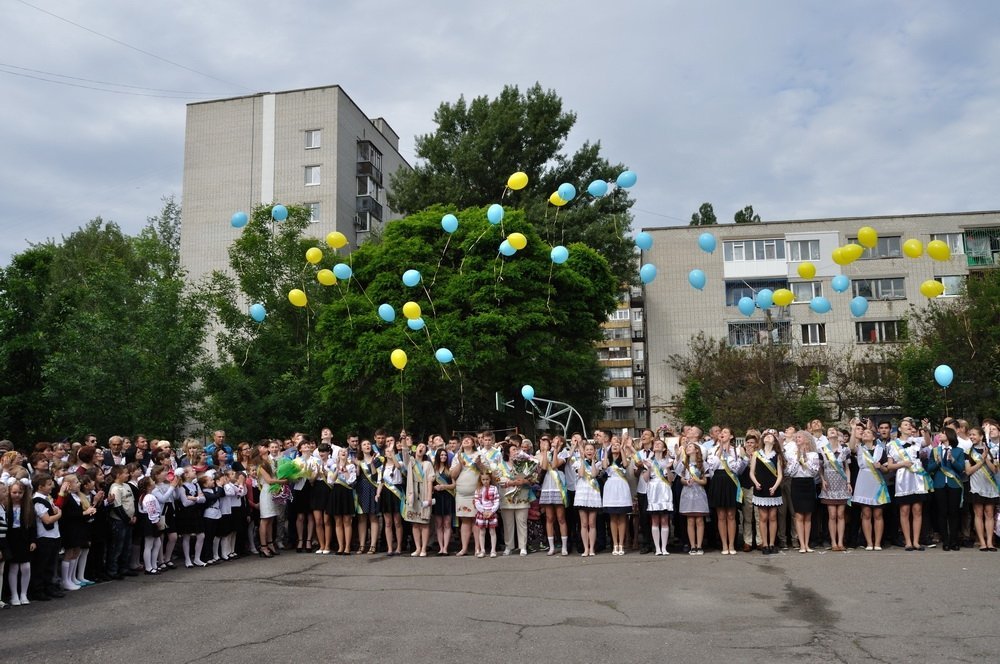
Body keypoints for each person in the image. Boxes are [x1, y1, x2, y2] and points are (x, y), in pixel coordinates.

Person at [885, 425, 932, 552]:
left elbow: (928, 442)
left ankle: (916, 541)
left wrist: (926, 430)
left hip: (917, 478)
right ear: (900, 429)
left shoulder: (916, 440)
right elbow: (889, 465)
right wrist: (902, 464)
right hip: (903, 479)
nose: (908, 427)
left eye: (910, 426)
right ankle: (908, 541)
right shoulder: (892, 444)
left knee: (917, 510)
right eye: (905, 425)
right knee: (904, 510)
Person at [707, 427, 746, 556]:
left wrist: (732, 454)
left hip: (731, 481)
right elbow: (711, 466)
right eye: (721, 432)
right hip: (718, 480)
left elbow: (737, 469)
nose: (722, 434)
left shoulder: (736, 450)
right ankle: (724, 544)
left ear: (731, 436)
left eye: (725, 432)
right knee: (721, 515)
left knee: (731, 515)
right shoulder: (713, 450)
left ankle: (731, 544)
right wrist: (720, 452)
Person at [928, 428, 967, 551]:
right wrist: (937, 462)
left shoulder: (959, 451)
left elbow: (961, 469)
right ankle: (945, 540)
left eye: (942, 433)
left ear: (949, 435)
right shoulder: (935, 451)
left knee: (954, 513)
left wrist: (953, 460)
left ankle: (954, 540)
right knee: (942, 512)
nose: (940, 435)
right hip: (939, 484)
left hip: (954, 484)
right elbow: (929, 469)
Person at [852, 427, 890, 551]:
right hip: (864, 480)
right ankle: (869, 542)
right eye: (864, 433)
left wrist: (880, 467)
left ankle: (877, 542)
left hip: (877, 481)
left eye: (868, 432)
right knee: (866, 513)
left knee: (878, 513)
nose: (865, 434)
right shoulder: (859, 448)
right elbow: (851, 446)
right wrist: (853, 430)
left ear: (874, 437)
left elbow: (886, 469)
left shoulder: (880, 450)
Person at [29, 473, 64, 600]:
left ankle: (49, 587)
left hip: (54, 535)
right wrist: (59, 515)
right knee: (42, 565)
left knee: (50, 565)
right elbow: (47, 520)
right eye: (49, 484)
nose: (52, 486)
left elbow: (53, 509)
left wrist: (56, 511)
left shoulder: (47, 498)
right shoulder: (38, 501)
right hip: (45, 537)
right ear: (40, 487)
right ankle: (38, 590)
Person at [786, 431, 821, 554]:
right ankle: (801, 544)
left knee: (808, 516)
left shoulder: (814, 455)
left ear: (807, 439)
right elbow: (790, 472)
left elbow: (814, 472)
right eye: (796, 438)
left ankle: (807, 543)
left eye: (799, 437)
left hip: (809, 483)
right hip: (797, 483)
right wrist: (797, 458)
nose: (797, 439)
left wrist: (804, 460)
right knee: (799, 515)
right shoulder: (792, 454)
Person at [496, 441, 534, 557]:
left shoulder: (525, 464)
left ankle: (523, 546)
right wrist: (510, 482)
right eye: (513, 450)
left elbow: (532, 479)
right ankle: (509, 546)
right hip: (507, 497)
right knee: (508, 524)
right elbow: (497, 479)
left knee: (522, 522)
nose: (516, 452)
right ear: (507, 453)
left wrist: (524, 481)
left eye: (517, 450)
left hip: (522, 496)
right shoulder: (501, 465)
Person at [819, 427, 852, 552]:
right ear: (826, 435)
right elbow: (820, 468)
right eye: (829, 430)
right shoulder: (822, 450)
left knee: (840, 514)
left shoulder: (845, 449)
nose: (832, 431)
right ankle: (833, 542)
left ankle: (840, 541)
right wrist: (822, 480)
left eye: (834, 430)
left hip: (841, 484)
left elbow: (847, 468)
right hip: (829, 485)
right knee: (832, 515)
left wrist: (848, 482)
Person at [750, 430, 784, 554]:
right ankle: (764, 544)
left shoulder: (777, 455)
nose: (768, 437)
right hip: (761, 488)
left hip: (773, 488)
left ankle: (771, 543)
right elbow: (751, 472)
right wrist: (756, 482)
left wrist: (775, 487)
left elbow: (780, 475)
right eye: (766, 436)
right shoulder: (756, 454)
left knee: (773, 517)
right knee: (763, 517)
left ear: (774, 441)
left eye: (770, 436)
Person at [965, 427, 998, 551]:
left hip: (990, 487)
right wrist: (981, 460)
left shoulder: (990, 450)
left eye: (974, 434)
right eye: (970, 435)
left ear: (981, 436)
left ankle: (990, 542)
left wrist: (987, 458)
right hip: (976, 487)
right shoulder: (967, 452)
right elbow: (968, 471)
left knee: (989, 514)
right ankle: (982, 542)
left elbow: (995, 470)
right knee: (978, 514)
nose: (972, 437)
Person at [537, 435, 569, 556]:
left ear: (561, 442)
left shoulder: (564, 453)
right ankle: (551, 547)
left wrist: (556, 450)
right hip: (547, 485)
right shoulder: (548, 452)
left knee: (561, 517)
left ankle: (564, 546)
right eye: (553, 439)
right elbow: (545, 466)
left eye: (556, 439)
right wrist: (545, 451)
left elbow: (555, 464)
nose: (553, 441)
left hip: (558, 485)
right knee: (549, 518)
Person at [4, 480, 35, 605]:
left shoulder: (27, 506)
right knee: (14, 567)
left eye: (20, 492)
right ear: (9, 492)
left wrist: (33, 540)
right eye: (14, 492)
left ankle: (24, 593)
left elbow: (32, 525)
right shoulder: (6, 506)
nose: (17, 495)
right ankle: (14, 595)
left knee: (26, 567)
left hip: (24, 539)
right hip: (11, 539)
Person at [642, 438, 675, 555]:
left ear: (664, 448)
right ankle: (657, 548)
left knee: (665, 519)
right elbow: (645, 479)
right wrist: (649, 468)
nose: (657, 445)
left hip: (664, 488)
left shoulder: (669, 461)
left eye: (659, 444)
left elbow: (671, 479)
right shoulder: (648, 461)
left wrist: (667, 468)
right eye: (655, 444)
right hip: (653, 489)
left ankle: (664, 547)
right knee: (655, 519)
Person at [676, 442, 709, 555]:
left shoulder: (703, 464)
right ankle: (692, 545)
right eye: (687, 446)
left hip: (699, 493)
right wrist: (686, 481)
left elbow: (705, 481)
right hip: (687, 493)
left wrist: (698, 481)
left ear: (696, 450)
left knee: (699, 520)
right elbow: (680, 479)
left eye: (690, 446)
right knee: (690, 520)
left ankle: (699, 545)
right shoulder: (683, 463)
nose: (688, 448)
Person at [602, 438, 633, 556]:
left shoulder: (623, 459)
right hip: (610, 487)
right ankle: (615, 544)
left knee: (622, 517)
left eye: (617, 445)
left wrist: (622, 450)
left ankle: (621, 544)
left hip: (621, 486)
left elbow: (625, 464)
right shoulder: (608, 459)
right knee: (613, 518)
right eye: (613, 445)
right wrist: (606, 451)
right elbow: (604, 466)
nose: (615, 446)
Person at [450, 435, 480, 556]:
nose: (466, 441)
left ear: (473, 443)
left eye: (469, 440)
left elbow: (486, 472)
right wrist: (460, 464)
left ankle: (478, 547)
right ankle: (464, 548)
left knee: (476, 520)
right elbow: (452, 475)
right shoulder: (458, 456)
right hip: (462, 493)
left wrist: (479, 464)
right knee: (465, 521)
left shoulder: (479, 455)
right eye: (464, 440)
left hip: (476, 493)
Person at [573, 440, 602, 557]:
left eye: (591, 449)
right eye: (587, 450)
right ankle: (585, 548)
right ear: (584, 452)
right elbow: (580, 474)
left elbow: (594, 474)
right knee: (584, 524)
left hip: (593, 493)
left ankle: (592, 548)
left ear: (594, 451)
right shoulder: (578, 462)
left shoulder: (598, 463)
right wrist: (581, 460)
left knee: (592, 523)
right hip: (582, 494)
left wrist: (594, 460)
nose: (589, 451)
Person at [404, 443, 433, 557]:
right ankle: (417, 547)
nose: (421, 448)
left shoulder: (427, 464)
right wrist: (403, 439)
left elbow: (430, 480)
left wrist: (429, 496)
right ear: (416, 449)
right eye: (419, 446)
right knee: (415, 523)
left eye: (424, 447)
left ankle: (424, 548)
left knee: (424, 523)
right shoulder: (410, 462)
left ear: (425, 451)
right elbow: (405, 453)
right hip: (413, 492)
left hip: (424, 492)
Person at [174, 466, 206, 567]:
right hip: (186, 514)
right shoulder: (182, 487)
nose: (195, 471)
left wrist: (194, 498)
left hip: (196, 512)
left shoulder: (196, 485)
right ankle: (187, 559)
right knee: (186, 536)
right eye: (192, 470)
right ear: (186, 475)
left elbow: (203, 499)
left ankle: (197, 558)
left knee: (201, 535)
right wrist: (197, 499)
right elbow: (185, 503)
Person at [355, 440, 381, 554]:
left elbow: (376, 477)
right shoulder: (358, 461)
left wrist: (371, 464)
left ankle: (373, 545)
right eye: (364, 444)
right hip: (361, 489)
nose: (367, 446)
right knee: (362, 517)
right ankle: (362, 545)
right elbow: (355, 476)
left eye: (369, 444)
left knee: (373, 517)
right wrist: (357, 465)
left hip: (373, 488)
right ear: (361, 447)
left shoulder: (377, 459)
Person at [330, 448, 358, 556]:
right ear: (337, 454)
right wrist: (337, 469)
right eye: (341, 451)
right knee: (338, 521)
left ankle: (347, 546)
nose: (343, 452)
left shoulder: (351, 466)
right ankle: (340, 546)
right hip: (336, 493)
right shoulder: (333, 466)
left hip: (346, 493)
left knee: (347, 521)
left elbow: (351, 481)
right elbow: (331, 481)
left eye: (345, 451)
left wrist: (345, 471)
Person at [309, 443, 335, 555]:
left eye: (324, 451)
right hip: (316, 491)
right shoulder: (315, 463)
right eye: (320, 451)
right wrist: (316, 473)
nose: (322, 453)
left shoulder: (333, 463)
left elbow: (334, 480)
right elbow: (310, 481)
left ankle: (328, 545)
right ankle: (321, 545)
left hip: (328, 491)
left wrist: (325, 472)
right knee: (318, 521)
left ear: (328, 452)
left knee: (327, 521)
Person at [431, 448, 456, 555]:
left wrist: (444, 486)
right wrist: (434, 488)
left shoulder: (450, 469)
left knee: (446, 523)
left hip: (447, 497)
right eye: (441, 455)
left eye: (445, 455)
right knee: (438, 524)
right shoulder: (433, 469)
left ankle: (445, 548)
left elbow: (454, 485)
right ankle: (440, 547)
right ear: (437, 456)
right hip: (437, 498)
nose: (443, 457)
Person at [473, 470, 500, 558]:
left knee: (492, 531)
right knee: (482, 532)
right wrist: (483, 511)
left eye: (487, 479)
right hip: (482, 512)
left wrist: (492, 511)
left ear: (490, 479)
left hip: (491, 512)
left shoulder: (494, 488)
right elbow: (477, 502)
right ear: (480, 480)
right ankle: (482, 550)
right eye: (483, 480)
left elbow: (496, 501)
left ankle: (493, 550)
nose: (485, 481)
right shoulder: (478, 489)